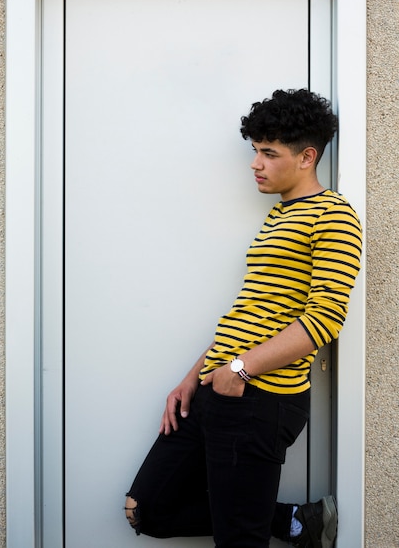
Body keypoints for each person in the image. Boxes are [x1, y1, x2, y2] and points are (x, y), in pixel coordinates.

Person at [125, 89, 362, 548]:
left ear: (307, 157)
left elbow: (326, 317)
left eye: (269, 153)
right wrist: (192, 377)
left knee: (239, 541)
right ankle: (294, 522)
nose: (255, 163)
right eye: (255, 151)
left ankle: (280, 523)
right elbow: (251, 312)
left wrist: (239, 369)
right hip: (221, 384)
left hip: (259, 397)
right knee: (147, 509)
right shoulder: (279, 216)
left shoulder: (333, 214)